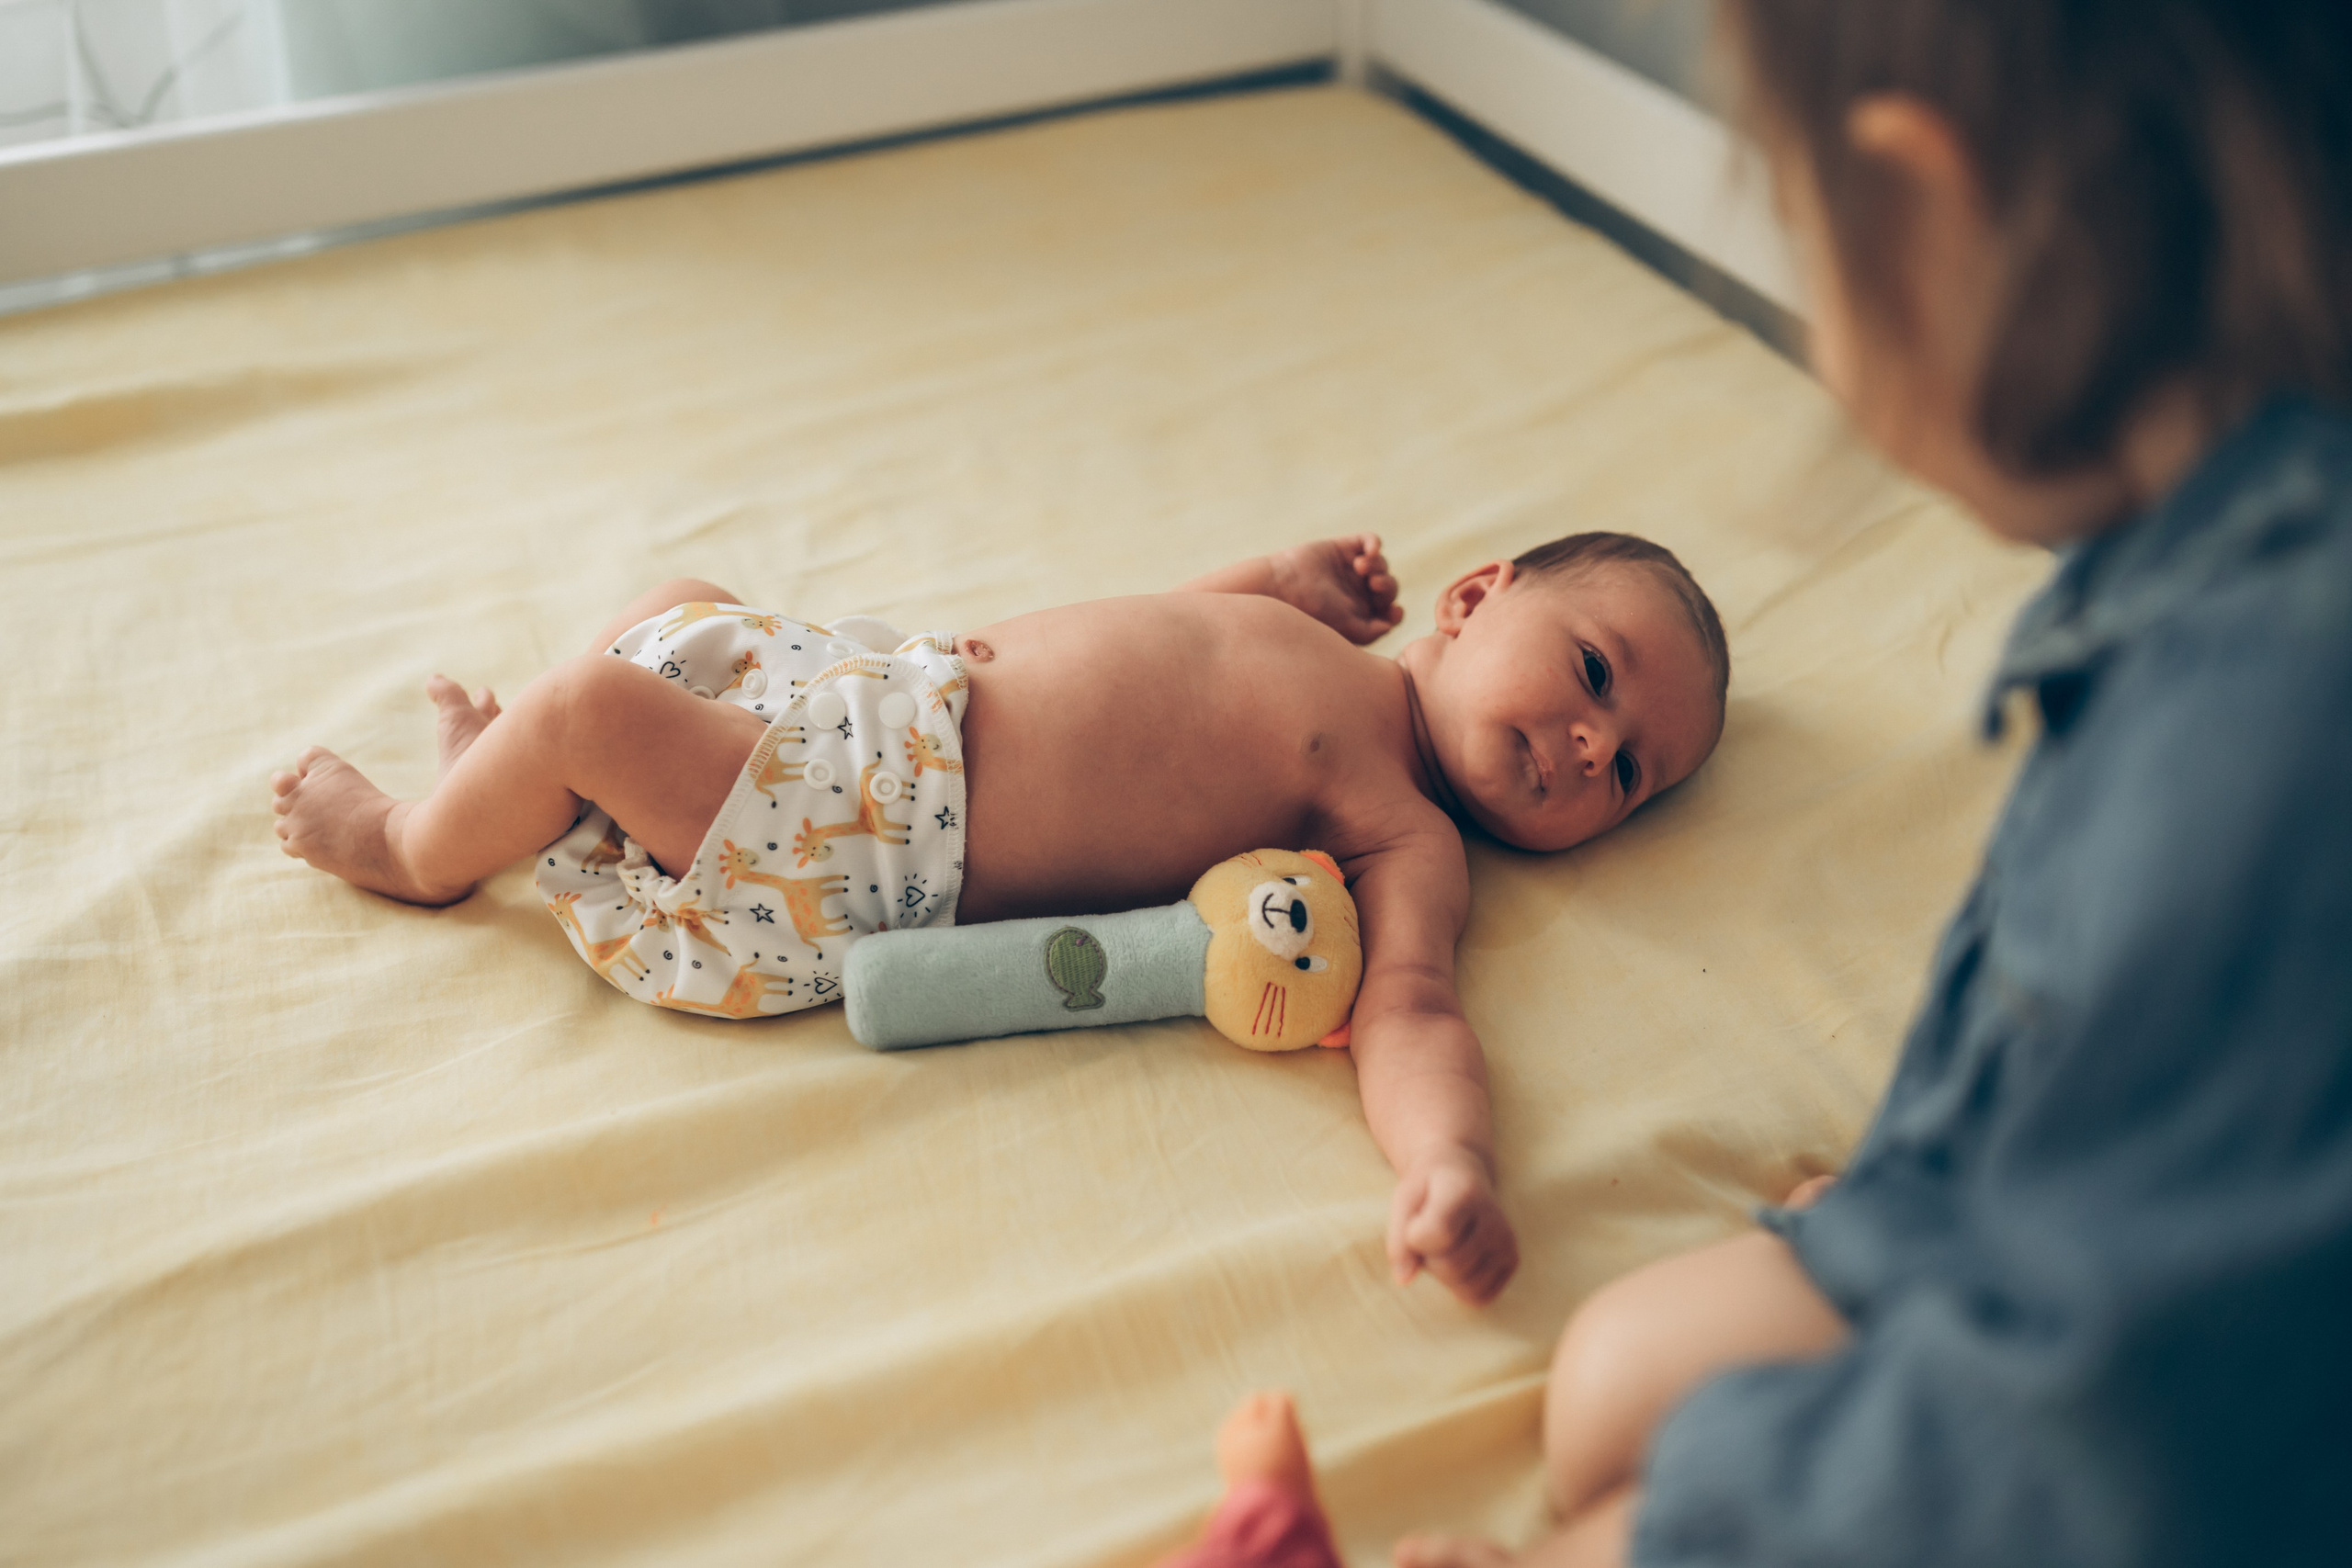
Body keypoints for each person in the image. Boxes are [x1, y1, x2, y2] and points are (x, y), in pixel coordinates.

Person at [1398, 0, 2352, 1562]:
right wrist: (1933, 1172)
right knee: (1611, 1388)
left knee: (1622, 1457)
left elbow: (2111, 1444)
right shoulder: (2194, 578)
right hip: (2021, 1223)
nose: (1591, 753)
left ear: (1924, 207)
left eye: (1790, 209)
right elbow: (2091, 1020)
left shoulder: (2262, 726)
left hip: (2164, 1426)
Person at [271, 530, 1730, 1307]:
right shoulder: (1327, 657)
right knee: (685, 599)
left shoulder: (1404, 830)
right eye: (1597, 676)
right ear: (1474, 597)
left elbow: (1410, 1011)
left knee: (595, 706)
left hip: (860, 838)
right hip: (870, 704)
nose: (1596, 752)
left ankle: (418, 844)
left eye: (1635, 774)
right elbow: (1149, 646)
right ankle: (518, 791)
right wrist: (1268, 580)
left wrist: (1452, 1164)